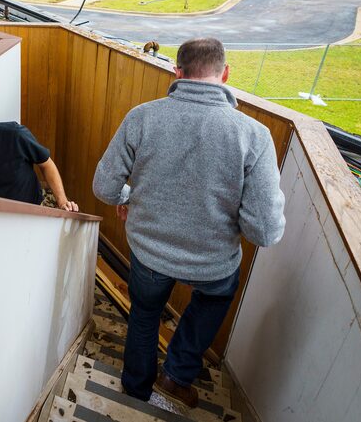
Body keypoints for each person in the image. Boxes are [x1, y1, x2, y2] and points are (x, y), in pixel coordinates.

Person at [92, 37, 285, 408]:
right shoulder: (254, 135)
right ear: (226, 73)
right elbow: (264, 230)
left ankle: (136, 391)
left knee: (144, 317)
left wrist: (127, 198)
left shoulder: (142, 116)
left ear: (176, 72)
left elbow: (104, 187)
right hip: (213, 264)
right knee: (215, 297)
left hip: (149, 254)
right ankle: (177, 376)